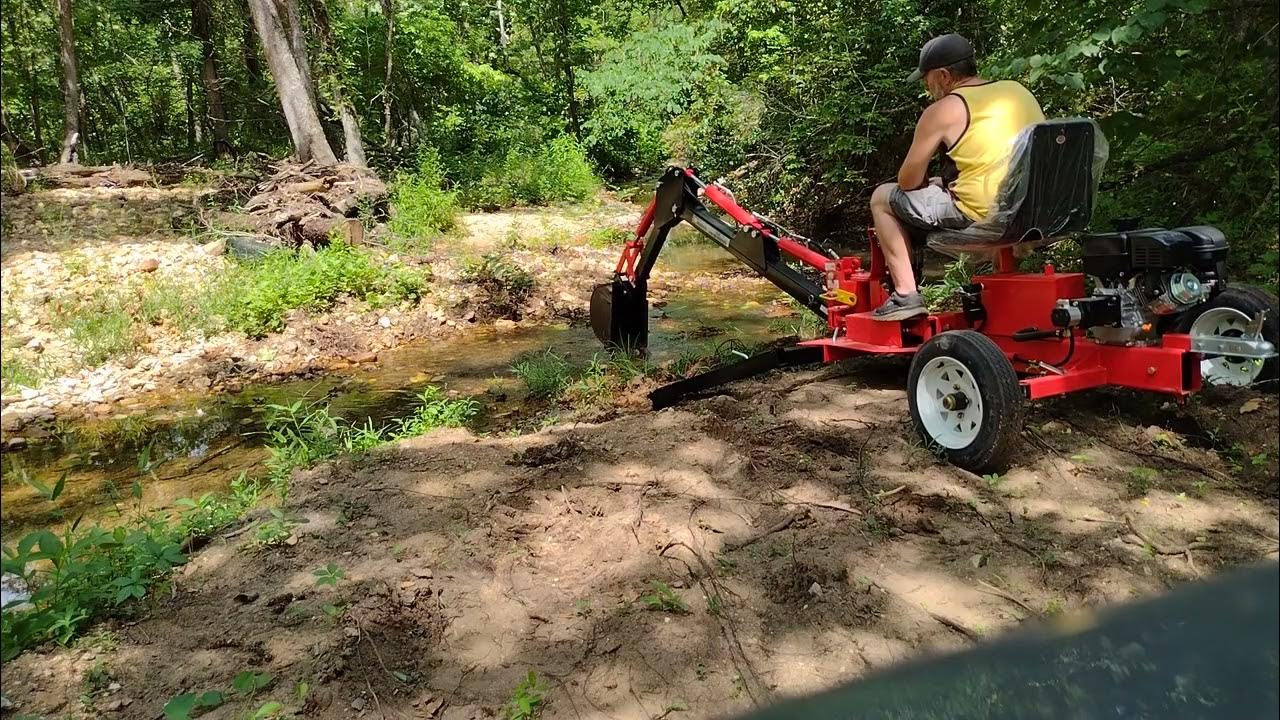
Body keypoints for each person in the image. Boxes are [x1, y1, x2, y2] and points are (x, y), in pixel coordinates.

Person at [870, 33, 1045, 321]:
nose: (927, 87)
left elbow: (907, 183)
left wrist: (928, 183)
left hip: (982, 214)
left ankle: (905, 296)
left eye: (927, 79)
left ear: (944, 75)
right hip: (1032, 208)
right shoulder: (1016, 91)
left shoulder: (943, 110)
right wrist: (944, 183)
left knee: (882, 199)